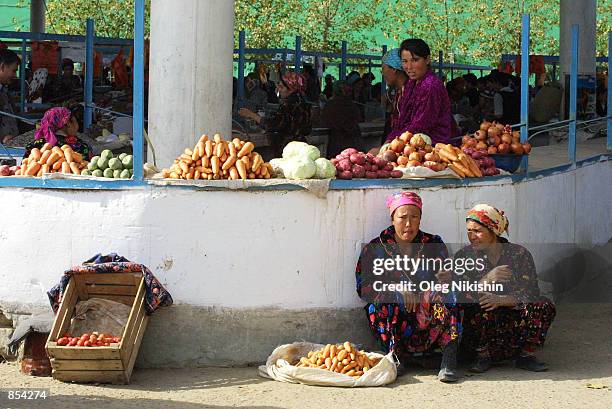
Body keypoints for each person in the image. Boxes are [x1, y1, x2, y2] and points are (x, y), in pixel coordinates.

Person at [356, 192, 461, 382]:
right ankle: (395, 356)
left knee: (448, 294)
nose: (408, 224)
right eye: (402, 217)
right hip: (396, 313)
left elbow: (446, 278)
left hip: (426, 311)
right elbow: (364, 288)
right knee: (384, 301)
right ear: (392, 218)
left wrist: (445, 279)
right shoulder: (375, 248)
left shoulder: (433, 243)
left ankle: (448, 358)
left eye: (414, 217)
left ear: (420, 219)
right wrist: (397, 288)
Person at [455, 204, 556, 373]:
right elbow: (457, 292)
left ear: (493, 230)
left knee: (543, 305)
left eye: (478, 231)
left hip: (513, 321)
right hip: (481, 328)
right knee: (476, 304)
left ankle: (525, 355)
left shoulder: (519, 254)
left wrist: (502, 301)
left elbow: (531, 291)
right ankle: (482, 356)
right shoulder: (464, 256)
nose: (472, 236)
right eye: (469, 231)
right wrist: (485, 281)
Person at [384, 39, 454, 144]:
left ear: (427, 60)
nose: (409, 67)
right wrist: (390, 140)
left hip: (433, 147)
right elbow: (403, 120)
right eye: (405, 61)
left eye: (415, 60)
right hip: (413, 143)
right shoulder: (411, 84)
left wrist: (392, 142)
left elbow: (420, 125)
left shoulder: (430, 85)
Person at [238, 71, 311, 158]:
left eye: (281, 87)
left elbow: (275, 123)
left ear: (291, 89)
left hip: (289, 147)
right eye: (278, 86)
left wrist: (252, 115)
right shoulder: (303, 101)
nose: (278, 89)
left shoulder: (290, 103)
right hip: (302, 146)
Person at [24, 106, 93, 160]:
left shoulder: (34, 145)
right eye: (75, 122)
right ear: (68, 123)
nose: (77, 126)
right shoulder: (80, 147)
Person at [320, 80, 362, 157]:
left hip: (338, 141)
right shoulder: (351, 105)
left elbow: (324, 120)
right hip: (349, 140)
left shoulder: (331, 105)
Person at [380, 48, 408, 145]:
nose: (382, 73)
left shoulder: (411, 93)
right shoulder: (399, 93)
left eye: (383, 68)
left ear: (394, 69)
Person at [0, 49, 20, 145]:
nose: (15, 75)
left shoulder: (4, 91)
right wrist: (2, 138)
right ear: (2, 67)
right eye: (14, 71)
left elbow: (15, 118)